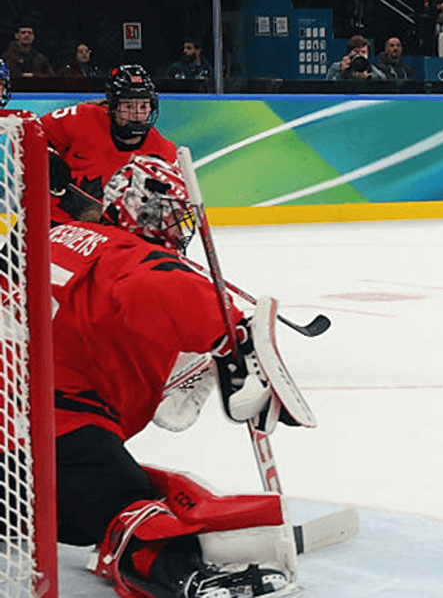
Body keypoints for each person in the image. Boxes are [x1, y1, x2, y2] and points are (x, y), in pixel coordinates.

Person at [53, 155, 315, 598]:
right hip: (51, 427)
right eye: (168, 216)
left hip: (20, 422)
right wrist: (233, 336)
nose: (178, 230)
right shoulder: (129, 255)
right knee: (128, 503)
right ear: (136, 208)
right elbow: (153, 285)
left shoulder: (58, 235)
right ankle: (183, 576)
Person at [38, 64, 178, 225]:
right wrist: (47, 155)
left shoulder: (162, 150)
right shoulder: (80, 117)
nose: (137, 115)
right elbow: (29, 136)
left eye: (144, 106)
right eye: (128, 106)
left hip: (103, 235)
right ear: (113, 106)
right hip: (51, 223)